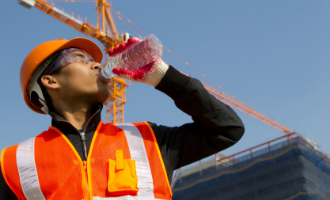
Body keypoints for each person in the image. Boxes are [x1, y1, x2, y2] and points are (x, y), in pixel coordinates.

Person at [0, 37, 245, 200]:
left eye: (94, 60)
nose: (96, 65)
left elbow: (227, 129)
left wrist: (163, 76)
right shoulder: (13, 163)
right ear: (49, 80)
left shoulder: (149, 140)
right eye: (78, 58)